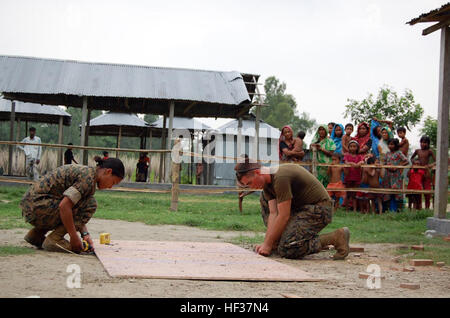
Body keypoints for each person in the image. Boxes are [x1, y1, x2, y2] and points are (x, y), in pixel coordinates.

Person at [234, 156, 350, 260]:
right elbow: (273, 214)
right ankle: (277, 242)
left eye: (249, 183)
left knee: (287, 249)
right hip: (303, 208)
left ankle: (336, 237)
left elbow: (283, 216)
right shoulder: (267, 184)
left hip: (319, 209)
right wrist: (268, 243)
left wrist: (267, 245)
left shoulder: (280, 177)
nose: (250, 187)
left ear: (257, 172)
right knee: (264, 199)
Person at [20, 156, 124, 253]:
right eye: (113, 182)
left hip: (33, 207)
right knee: (91, 204)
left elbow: (74, 206)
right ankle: (55, 239)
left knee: (83, 203)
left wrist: (85, 234)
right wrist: (74, 237)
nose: (110, 187)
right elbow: (64, 206)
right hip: (38, 207)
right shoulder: (87, 179)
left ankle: (36, 235)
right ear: (108, 172)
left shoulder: (88, 174)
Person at [382, 138, 409, 212]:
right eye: (389, 144)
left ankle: (396, 209)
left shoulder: (399, 153)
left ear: (396, 145)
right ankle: (387, 209)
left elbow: (406, 161)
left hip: (396, 175)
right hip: (387, 175)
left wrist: (397, 166)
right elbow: (384, 163)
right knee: (387, 192)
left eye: (392, 144)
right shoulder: (387, 153)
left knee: (395, 192)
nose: (390, 146)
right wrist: (387, 166)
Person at [410, 136, 436, 209]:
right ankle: (419, 208)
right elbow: (411, 158)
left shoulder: (429, 151)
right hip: (418, 172)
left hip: (426, 172)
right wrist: (414, 162)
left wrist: (430, 165)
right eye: (421, 142)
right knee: (418, 190)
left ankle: (427, 208)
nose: (422, 144)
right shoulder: (417, 151)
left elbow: (436, 161)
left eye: (425, 143)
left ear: (428, 144)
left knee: (427, 190)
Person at [343, 140, 365, 212]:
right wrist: (353, 163)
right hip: (348, 177)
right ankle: (347, 209)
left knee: (355, 194)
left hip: (357, 177)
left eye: (354, 146)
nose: (352, 148)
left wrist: (359, 163)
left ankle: (355, 209)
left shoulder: (359, 156)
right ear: (348, 148)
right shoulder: (346, 155)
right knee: (348, 194)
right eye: (351, 146)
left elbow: (362, 161)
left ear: (357, 148)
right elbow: (346, 162)